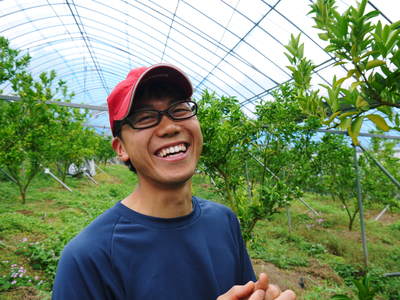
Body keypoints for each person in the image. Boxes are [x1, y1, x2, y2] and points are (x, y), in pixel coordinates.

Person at [52, 64, 296, 300]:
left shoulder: (223, 221)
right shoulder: (89, 256)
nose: (169, 127)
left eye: (179, 110)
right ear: (121, 148)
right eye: (145, 117)